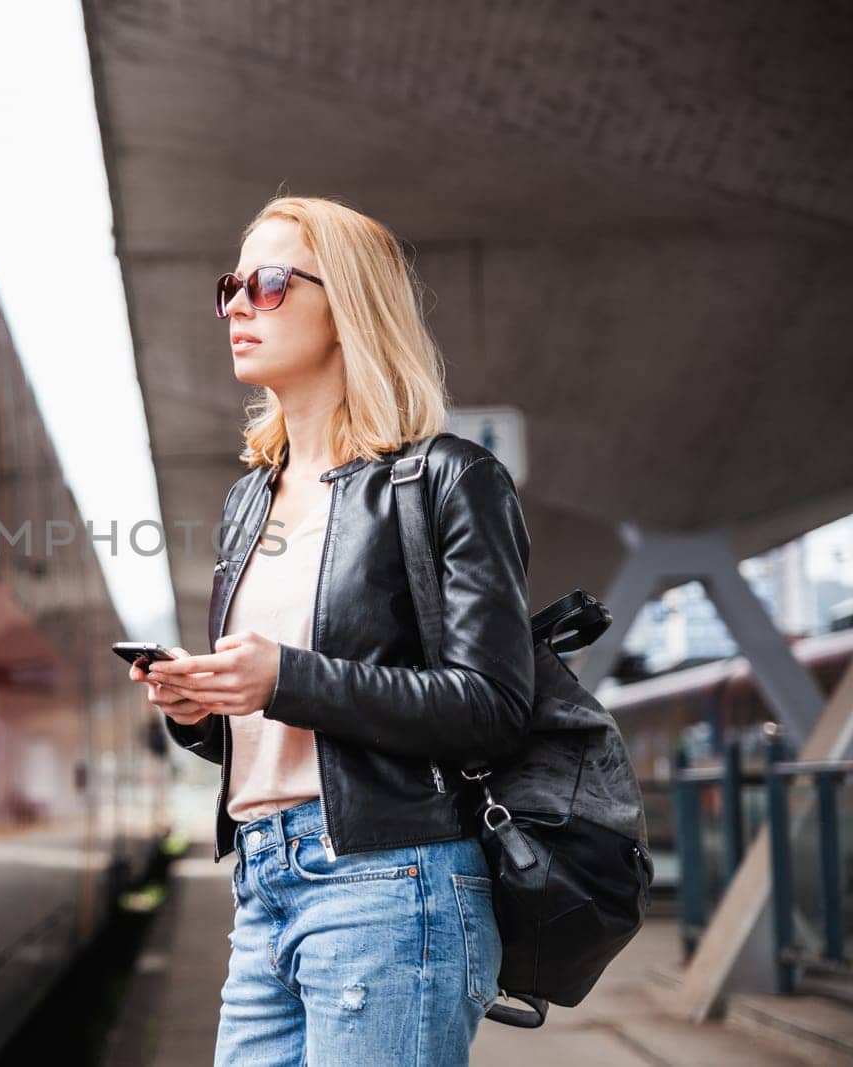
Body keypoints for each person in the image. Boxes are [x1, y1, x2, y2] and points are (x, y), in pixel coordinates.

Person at [130, 195, 534, 1065]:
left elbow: (494, 706)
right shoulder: (251, 500)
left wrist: (285, 677)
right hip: (262, 880)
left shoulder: (448, 481)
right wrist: (198, 706)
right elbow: (275, 725)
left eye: (270, 283)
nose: (236, 304)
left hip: (390, 881)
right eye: (232, 284)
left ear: (348, 302)